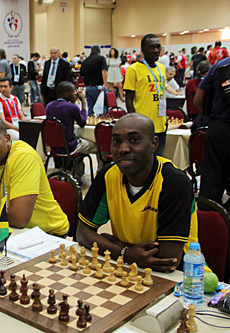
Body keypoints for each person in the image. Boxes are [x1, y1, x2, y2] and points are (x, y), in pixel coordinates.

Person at [76, 114, 198, 272]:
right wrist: (126, 253)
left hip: (182, 278)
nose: (123, 149)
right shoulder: (108, 175)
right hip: (130, 269)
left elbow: (168, 260)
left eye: (134, 140)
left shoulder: (174, 183)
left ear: (153, 144)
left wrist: (116, 244)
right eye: (116, 141)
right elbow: (82, 233)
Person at [0, 116, 69, 235]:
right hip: (8, 228)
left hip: (46, 233)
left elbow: (19, 219)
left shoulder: (23, 157)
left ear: (7, 139)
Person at [194, 55, 230, 205]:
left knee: (210, 189)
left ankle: (208, 224)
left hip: (218, 130)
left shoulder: (220, 66)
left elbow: (198, 100)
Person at [124, 34, 167, 157]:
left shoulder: (162, 68)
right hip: (142, 126)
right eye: (151, 47)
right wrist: (134, 123)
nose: (156, 51)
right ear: (142, 49)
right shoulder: (134, 69)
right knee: (143, 163)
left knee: (159, 161)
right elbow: (128, 99)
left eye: (158, 47)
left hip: (161, 124)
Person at [46, 81, 97, 181]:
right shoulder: (72, 107)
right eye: (73, 91)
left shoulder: (49, 106)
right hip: (70, 146)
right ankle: (98, 173)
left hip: (53, 146)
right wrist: (83, 103)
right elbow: (82, 123)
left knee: (81, 145)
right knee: (96, 146)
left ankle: (76, 174)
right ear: (65, 93)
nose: (75, 93)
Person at [80, 45, 107, 115]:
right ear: (99, 52)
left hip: (88, 87)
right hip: (99, 87)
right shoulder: (101, 59)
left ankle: (91, 123)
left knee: (90, 108)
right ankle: (102, 124)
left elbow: (82, 74)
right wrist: (105, 83)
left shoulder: (85, 61)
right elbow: (104, 71)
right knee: (101, 107)